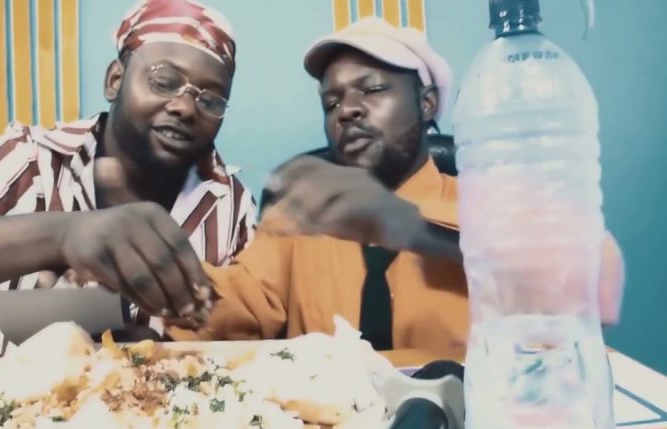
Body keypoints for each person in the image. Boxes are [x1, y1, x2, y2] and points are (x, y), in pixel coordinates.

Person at [164, 17, 626, 357]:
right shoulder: (299, 215)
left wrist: (415, 231)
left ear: (427, 104)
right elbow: (238, 305)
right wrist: (164, 276)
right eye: (331, 102)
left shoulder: (492, 200)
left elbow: (598, 278)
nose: (348, 110)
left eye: (372, 89)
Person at [0, 0, 256, 354]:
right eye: (164, 81)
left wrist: (163, 347)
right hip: (20, 390)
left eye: (211, 101)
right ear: (115, 80)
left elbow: (249, 341)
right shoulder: (34, 157)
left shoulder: (232, 204)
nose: (186, 107)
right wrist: (64, 235)